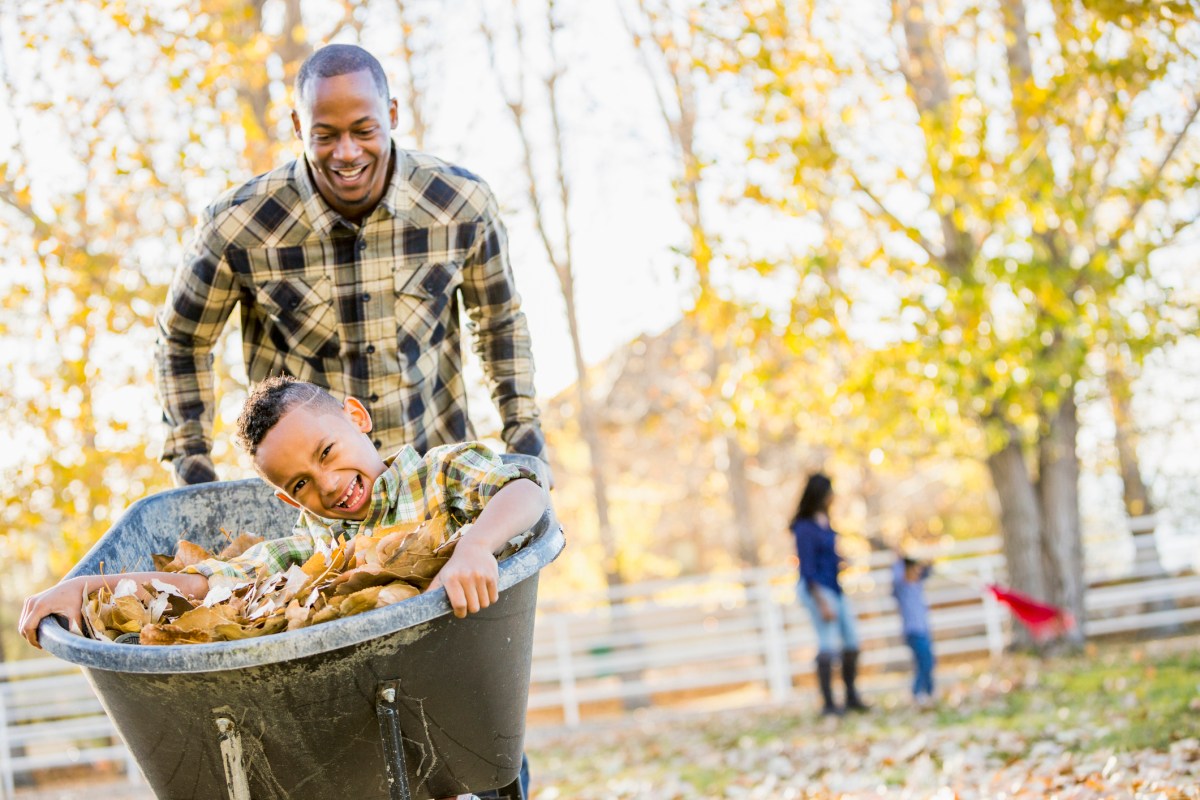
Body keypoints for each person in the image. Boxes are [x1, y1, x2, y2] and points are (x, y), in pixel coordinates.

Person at [20, 377, 547, 800]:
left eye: (326, 451)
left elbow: (523, 490)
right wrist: (90, 585)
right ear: (291, 502)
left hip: (454, 698)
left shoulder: (437, 476)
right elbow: (208, 585)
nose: (328, 483)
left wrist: (476, 545)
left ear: (357, 419)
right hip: (363, 734)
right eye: (300, 484)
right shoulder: (306, 554)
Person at [155, 43, 546, 488]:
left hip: (435, 477)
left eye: (364, 130)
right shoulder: (238, 224)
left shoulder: (460, 205)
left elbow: (499, 323)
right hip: (315, 501)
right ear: (299, 126)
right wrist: (193, 469)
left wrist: (525, 437)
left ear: (393, 114)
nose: (346, 153)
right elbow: (182, 341)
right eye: (325, 135)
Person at [790, 473, 869, 716]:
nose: (833, 496)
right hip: (817, 589)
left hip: (835, 586)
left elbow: (827, 555)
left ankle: (851, 696)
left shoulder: (826, 521)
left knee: (852, 641)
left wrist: (841, 560)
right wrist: (821, 601)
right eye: (830, 491)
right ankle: (828, 704)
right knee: (827, 643)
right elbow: (807, 567)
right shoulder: (804, 528)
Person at [892, 553, 936, 708]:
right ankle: (918, 693)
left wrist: (927, 561)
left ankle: (929, 692)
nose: (916, 572)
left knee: (929, 661)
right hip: (913, 632)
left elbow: (928, 571)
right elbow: (896, 575)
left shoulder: (917, 586)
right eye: (912, 569)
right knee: (923, 662)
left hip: (924, 630)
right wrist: (898, 560)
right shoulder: (902, 588)